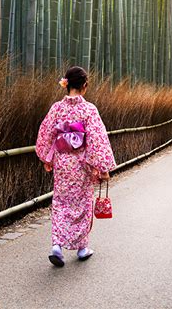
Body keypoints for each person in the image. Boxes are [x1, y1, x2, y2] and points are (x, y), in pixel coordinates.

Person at [35, 66, 116, 267]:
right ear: (84, 86)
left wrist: (47, 158)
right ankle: (82, 248)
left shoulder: (57, 108)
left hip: (62, 163)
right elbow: (97, 140)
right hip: (81, 164)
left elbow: (46, 134)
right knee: (82, 203)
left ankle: (57, 245)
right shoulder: (88, 110)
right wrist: (102, 167)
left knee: (61, 202)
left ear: (66, 84)